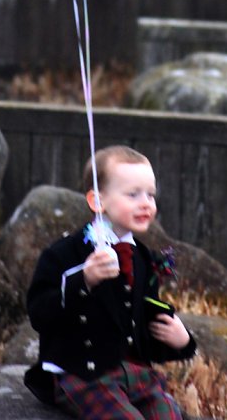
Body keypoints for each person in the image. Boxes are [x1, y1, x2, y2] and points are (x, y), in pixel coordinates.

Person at [24, 145, 197, 418]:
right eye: (133, 194)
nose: (146, 203)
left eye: (150, 194)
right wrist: (85, 280)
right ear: (97, 201)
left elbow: (138, 328)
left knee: (168, 415)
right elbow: (39, 313)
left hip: (136, 374)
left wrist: (182, 341)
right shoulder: (64, 254)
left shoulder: (142, 258)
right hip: (84, 375)